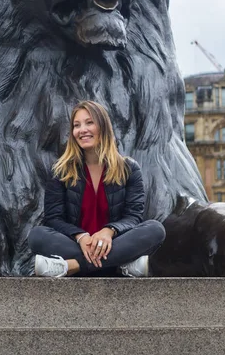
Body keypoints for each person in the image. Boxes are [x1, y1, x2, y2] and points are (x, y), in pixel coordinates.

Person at [29, 100, 166, 277]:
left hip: (114, 242)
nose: (82, 130)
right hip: (76, 245)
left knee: (155, 229)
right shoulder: (61, 171)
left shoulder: (129, 169)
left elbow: (133, 217)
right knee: (37, 235)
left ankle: (71, 266)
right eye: (76, 125)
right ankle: (119, 265)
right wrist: (81, 237)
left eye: (89, 122)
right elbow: (54, 219)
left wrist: (108, 232)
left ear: (103, 127)